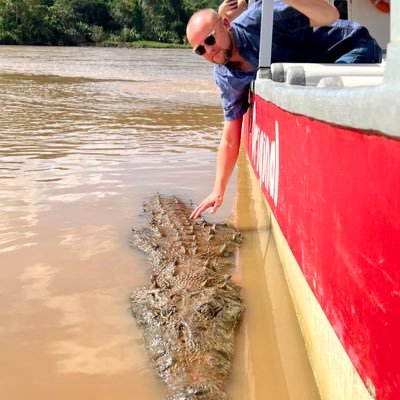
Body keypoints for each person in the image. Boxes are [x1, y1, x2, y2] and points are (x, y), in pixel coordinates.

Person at [186, 0, 382, 219]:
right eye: (200, 49)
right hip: (311, 79)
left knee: (326, 92)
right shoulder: (225, 75)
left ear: (226, 23)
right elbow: (230, 138)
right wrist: (218, 189)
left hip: (351, 48)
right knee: (317, 92)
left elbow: (330, 14)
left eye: (210, 40)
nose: (210, 51)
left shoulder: (262, 17)